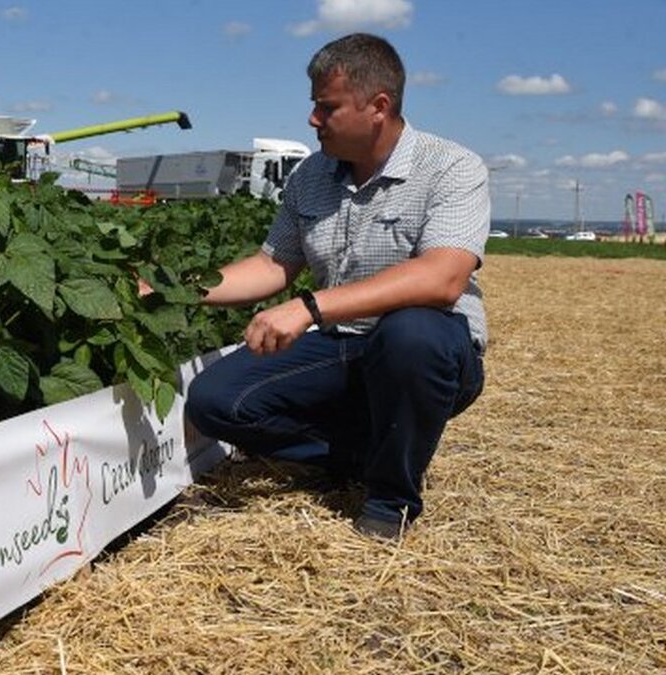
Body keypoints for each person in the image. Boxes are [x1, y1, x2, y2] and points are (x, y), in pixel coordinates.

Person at [183, 33, 488, 539]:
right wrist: (178, 287)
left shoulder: (452, 167)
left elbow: (444, 277)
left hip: (428, 352)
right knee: (216, 401)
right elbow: (272, 264)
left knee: (411, 334)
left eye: (326, 107)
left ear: (378, 107)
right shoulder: (311, 175)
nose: (312, 120)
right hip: (341, 346)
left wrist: (309, 307)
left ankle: (391, 500)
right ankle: (368, 456)